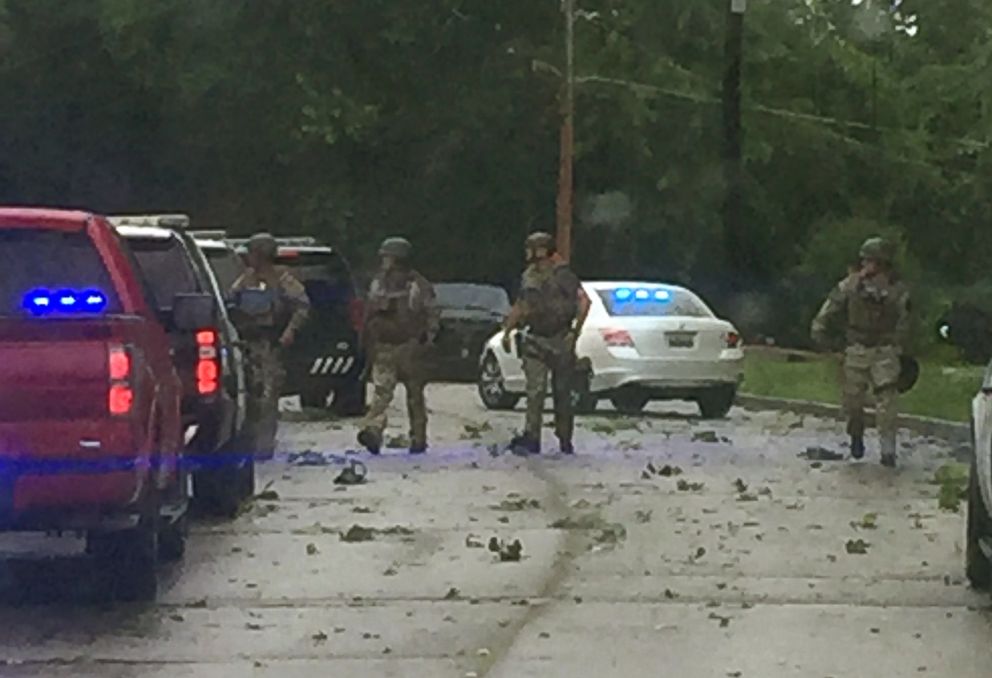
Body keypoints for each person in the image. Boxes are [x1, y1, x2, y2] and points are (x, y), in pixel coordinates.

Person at [811, 237, 911, 467]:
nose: (869, 266)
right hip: (856, 349)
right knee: (852, 402)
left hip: (884, 350)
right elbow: (828, 310)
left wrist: (898, 346)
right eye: (866, 261)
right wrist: (823, 337)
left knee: (887, 400)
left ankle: (888, 449)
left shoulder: (897, 290)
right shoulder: (850, 285)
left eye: (874, 261)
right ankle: (856, 434)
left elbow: (905, 321)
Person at [500, 231, 590, 455]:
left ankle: (564, 438)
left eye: (531, 248)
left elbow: (584, 302)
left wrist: (575, 333)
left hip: (560, 338)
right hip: (535, 338)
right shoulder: (529, 276)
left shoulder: (563, 276)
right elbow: (522, 305)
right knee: (535, 391)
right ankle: (532, 437)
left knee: (563, 393)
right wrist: (507, 331)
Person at [230, 232, 310, 458]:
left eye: (253, 254)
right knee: (250, 397)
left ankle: (264, 446)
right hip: (248, 345)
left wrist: (289, 331)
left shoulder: (283, 279)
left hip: (270, 345)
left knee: (268, 397)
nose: (249, 259)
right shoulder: (246, 279)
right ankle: (250, 444)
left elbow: (302, 306)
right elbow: (231, 301)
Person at [357, 237, 439, 455]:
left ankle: (418, 438)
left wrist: (428, 339)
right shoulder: (379, 282)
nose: (384, 261)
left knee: (414, 396)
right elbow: (370, 312)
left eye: (387, 257)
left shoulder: (417, 285)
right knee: (381, 393)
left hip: (409, 347)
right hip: (383, 347)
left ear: (398, 259)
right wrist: (366, 340)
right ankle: (373, 431)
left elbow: (431, 313)